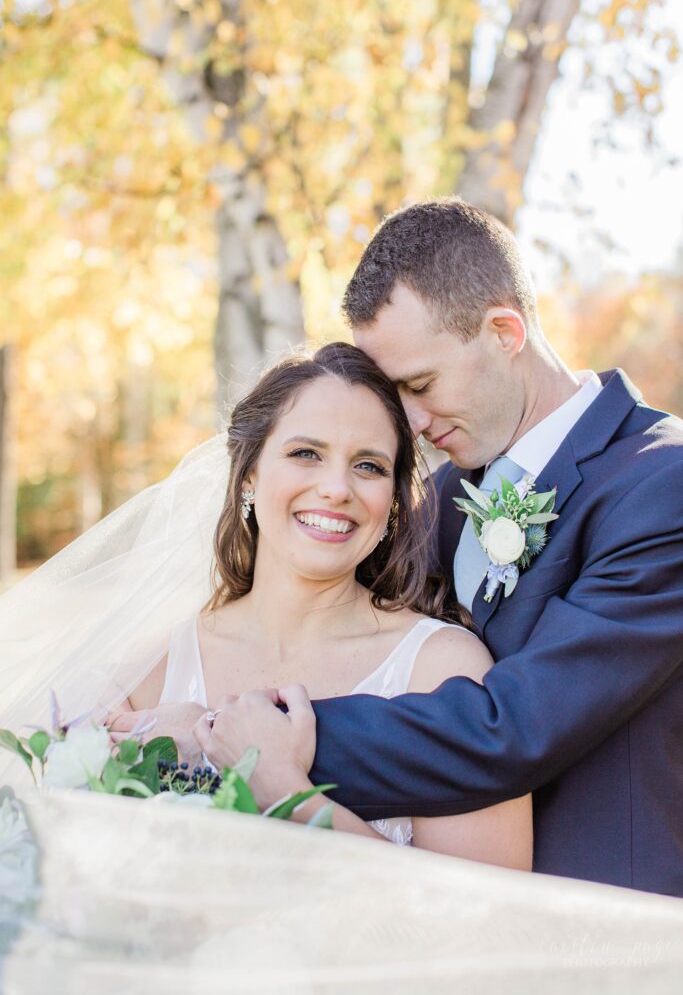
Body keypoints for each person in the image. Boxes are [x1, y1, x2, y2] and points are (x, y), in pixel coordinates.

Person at [200, 199, 683, 897]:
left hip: (613, 926)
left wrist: (253, 737)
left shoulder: (659, 486)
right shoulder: (439, 498)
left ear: (503, 330)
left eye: (419, 386)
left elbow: (515, 727)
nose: (414, 424)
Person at [107, 342, 532, 868]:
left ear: (393, 501)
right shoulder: (150, 670)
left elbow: (493, 914)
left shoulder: (442, 671)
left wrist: (289, 794)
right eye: (305, 453)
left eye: (369, 466)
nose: (336, 489)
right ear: (249, 474)